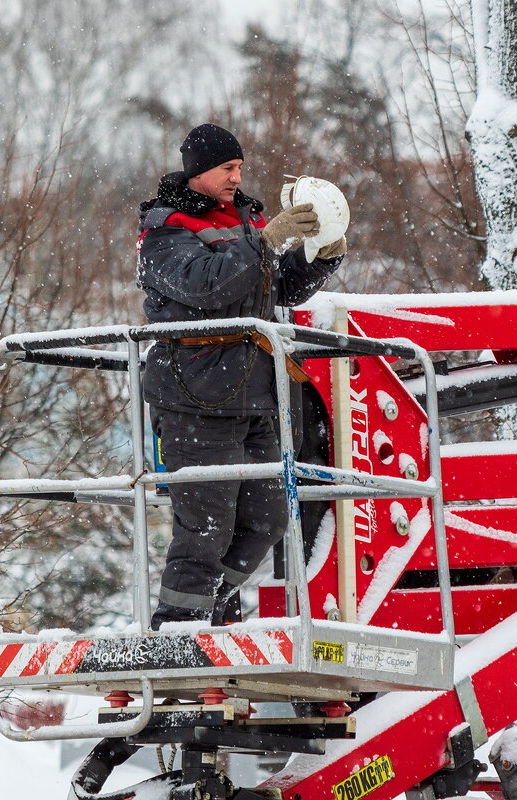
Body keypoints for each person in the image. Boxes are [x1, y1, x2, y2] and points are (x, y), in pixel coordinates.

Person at [136, 124, 346, 630]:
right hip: (195, 398)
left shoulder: (248, 220)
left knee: (268, 517)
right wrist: (266, 242)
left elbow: (280, 291)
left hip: (254, 395)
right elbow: (206, 286)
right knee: (205, 527)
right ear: (200, 171)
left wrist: (321, 252)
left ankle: (208, 610)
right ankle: (177, 633)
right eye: (228, 168)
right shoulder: (164, 229)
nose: (237, 177)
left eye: (240, 169)